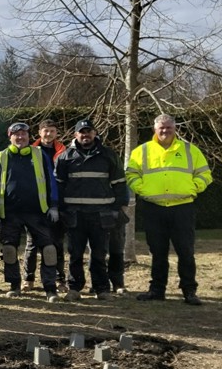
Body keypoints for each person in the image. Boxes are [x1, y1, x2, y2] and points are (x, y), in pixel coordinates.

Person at [127, 114, 213, 305]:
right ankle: (157, 290)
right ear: (154, 130)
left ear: (175, 129)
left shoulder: (190, 150)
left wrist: (194, 187)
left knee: (186, 252)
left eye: (169, 128)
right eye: (161, 128)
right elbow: (131, 174)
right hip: (154, 208)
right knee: (157, 252)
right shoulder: (141, 151)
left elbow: (205, 174)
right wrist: (142, 190)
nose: (165, 131)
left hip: (182, 207)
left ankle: (189, 291)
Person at [54, 119, 126, 301]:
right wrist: (60, 209)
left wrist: (118, 208)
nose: (85, 135)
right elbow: (58, 186)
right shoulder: (65, 157)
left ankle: (101, 289)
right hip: (74, 214)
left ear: (94, 133)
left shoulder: (108, 155)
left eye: (89, 131)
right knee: (75, 254)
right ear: (75, 135)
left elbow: (119, 184)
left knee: (99, 254)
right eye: (82, 132)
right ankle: (74, 288)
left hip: (101, 214)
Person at [0, 122, 60, 302]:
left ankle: (50, 288)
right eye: (16, 134)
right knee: (9, 249)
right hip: (10, 213)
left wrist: (54, 206)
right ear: (10, 137)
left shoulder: (40, 154)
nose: (20, 137)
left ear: (29, 136)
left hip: (38, 212)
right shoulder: (1, 157)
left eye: (24, 134)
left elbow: (51, 181)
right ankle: (14, 285)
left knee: (49, 249)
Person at [23, 119, 67, 291]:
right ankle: (29, 279)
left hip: (57, 205)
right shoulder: (30, 152)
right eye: (45, 131)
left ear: (56, 133)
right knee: (32, 244)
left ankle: (59, 280)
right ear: (39, 133)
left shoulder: (64, 153)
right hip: (35, 205)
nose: (48, 134)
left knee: (57, 243)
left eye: (52, 131)